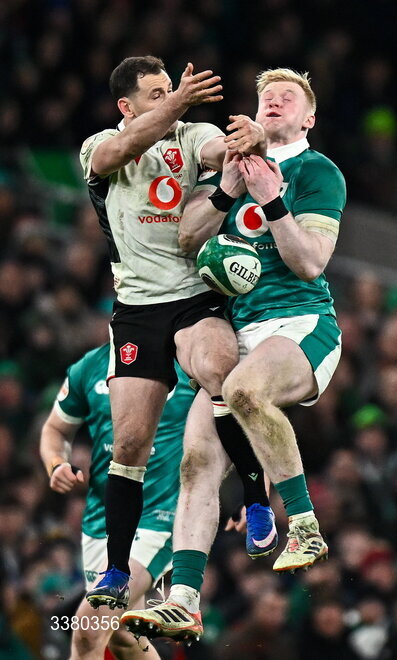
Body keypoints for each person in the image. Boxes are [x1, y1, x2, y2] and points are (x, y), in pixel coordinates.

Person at [121, 68, 347, 641]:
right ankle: (185, 600)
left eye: (287, 97)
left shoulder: (319, 173)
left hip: (301, 323)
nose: (273, 101)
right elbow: (187, 237)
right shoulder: (232, 166)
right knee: (195, 462)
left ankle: (304, 522)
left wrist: (272, 202)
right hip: (240, 332)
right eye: (266, 96)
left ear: (308, 117)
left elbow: (311, 263)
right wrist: (227, 188)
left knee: (244, 391)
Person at [79, 55, 273, 610]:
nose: (172, 98)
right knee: (130, 444)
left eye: (173, 89)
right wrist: (176, 103)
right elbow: (119, 152)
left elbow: (223, 150)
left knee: (220, 373)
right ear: (127, 106)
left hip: (194, 295)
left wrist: (252, 138)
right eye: (157, 93)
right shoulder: (100, 147)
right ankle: (117, 570)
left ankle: (257, 500)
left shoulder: (191, 134)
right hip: (137, 309)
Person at [39, 343, 195, 658]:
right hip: (103, 521)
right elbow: (55, 429)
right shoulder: (89, 367)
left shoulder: (189, 364)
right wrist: (56, 464)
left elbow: (232, 420)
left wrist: (252, 494)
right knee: (122, 635)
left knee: (89, 624)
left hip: (161, 517)